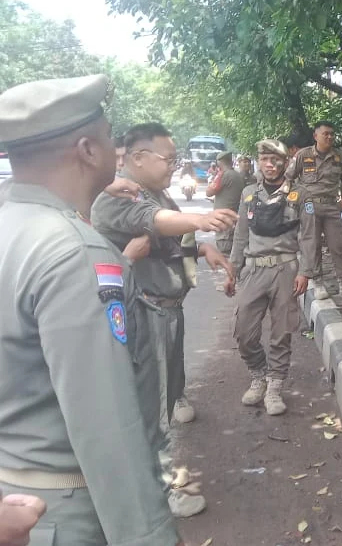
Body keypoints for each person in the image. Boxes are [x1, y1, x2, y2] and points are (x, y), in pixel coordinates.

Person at [0, 75, 182, 545]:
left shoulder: (11, 224)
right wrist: (154, 537)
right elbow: (108, 426)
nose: (117, 149)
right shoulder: (74, 253)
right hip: (66, 511)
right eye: (109, 136)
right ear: (86, 149)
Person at [91, 122, 237, 518]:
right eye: (168, 159)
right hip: (144, 311)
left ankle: (156, 472)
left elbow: (169, 234)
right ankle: (161, 489)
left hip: (167, 308)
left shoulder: (155, 192)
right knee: (151, 405)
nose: (174, 166)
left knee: (167, 394)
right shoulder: (118, 198)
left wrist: (204, 248)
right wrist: (199, 221)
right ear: (137, 157)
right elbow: (154, 221)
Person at [228, 139, 312, 416]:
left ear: (285, 163)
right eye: (265, 159)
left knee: (282, 332)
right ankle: (258, 374)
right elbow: (241, 234)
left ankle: (275, 386)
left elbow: (310, 236)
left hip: (285, 270)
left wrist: (305, 271)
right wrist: (232, 269)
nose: (270, 165)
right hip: (254, 269)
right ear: (258, 162)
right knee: (243, 330)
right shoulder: (249, 194)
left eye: (276, 160)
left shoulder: (300, 195)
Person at [287, 120, 342, 301]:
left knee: (338, 245)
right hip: (309, 206)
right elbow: (288, 178)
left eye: (331, 134)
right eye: (325, 133)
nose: (329, 137)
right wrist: (294, 202)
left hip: (331, 206)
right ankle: (318, 283)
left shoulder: (338, 157)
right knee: (313, 246)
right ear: (315, 136)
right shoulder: (303, 155)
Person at [207, 150, 247, 257]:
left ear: (219, 162)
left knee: (225, 252)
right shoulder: (237, 175)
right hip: (234, 216)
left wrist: (215, 177)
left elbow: (209, 192)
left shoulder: (223, 175)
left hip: (223, 219)